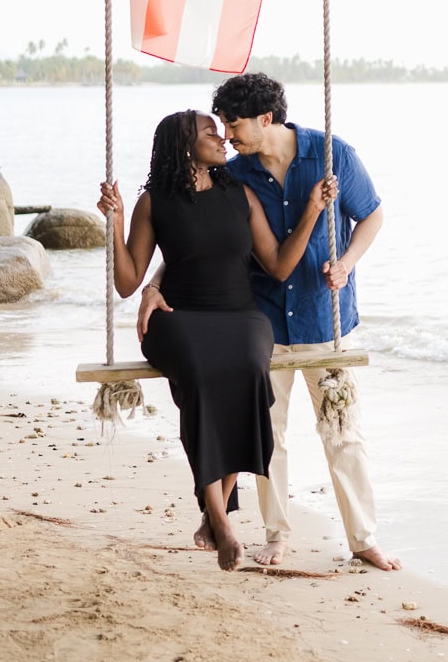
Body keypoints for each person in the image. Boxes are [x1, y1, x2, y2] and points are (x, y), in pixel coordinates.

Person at [138, 74, 400, 571]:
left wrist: (346, 262)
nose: (227, 135)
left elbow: (372, 217)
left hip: (326, 318)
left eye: (233, 125)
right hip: (260, 322)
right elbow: (199, 238)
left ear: (266, 119)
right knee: (267, 436)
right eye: (221, 127)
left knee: (343, 432)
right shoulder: (235, 175)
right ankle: (275, 535)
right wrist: (155, 284)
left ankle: (363, 539)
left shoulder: (331, 156)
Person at [97, 109, 335, 571]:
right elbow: (127, 283)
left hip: (241, 315)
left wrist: (312, 210)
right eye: (211, 133)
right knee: (203, 382)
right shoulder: (155, 202)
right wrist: (116, 220)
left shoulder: (238, 193)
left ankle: (213, 510)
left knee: (249, 374)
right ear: (185, 146)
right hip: (177, 316)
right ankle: (223, 524)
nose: (222, 138)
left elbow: (279, 265)